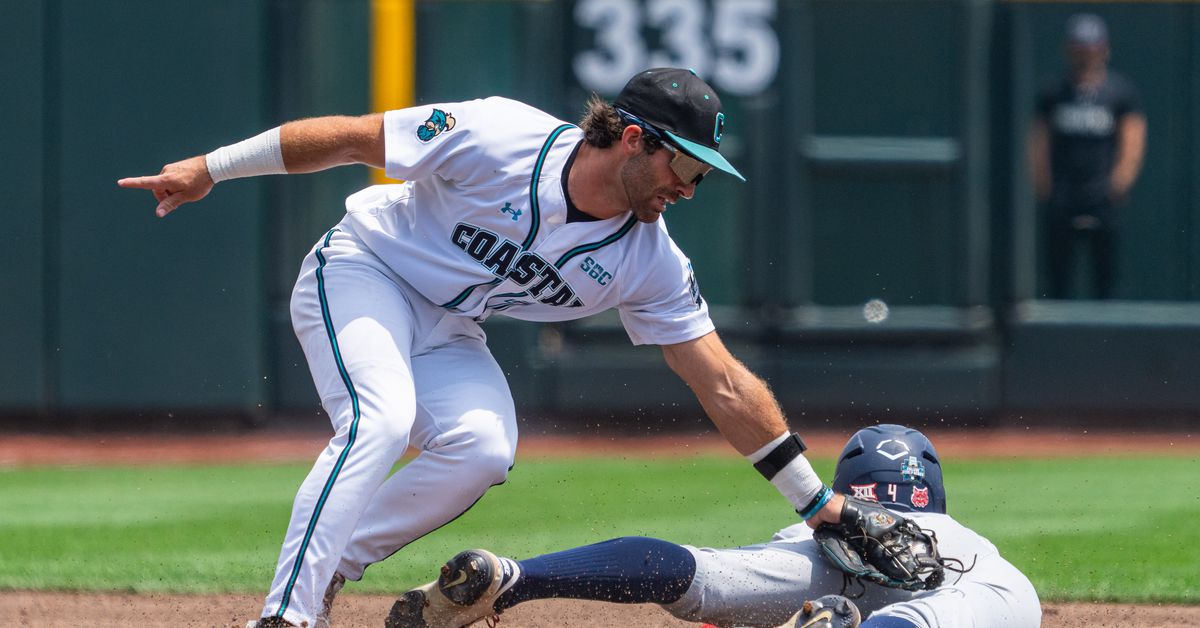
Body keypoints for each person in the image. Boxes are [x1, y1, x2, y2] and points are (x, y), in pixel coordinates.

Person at [118, 68, 853, 628]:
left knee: (482, 448)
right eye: (685, 167)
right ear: (634, 139)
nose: (690, 188)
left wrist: (817, 505)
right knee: (381, 419)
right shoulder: (500, 134)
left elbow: (721, 382)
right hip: (364, 270)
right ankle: (287, 615)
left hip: (449, 326)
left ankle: (335, 559)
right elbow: (348, 135)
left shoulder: (648, 260)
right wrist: (210, 168)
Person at [390, 425, 1042, 628]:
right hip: (961, 588)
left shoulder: (825, 530)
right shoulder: (980, 556)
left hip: (820, 559)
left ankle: (512, 578)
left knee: (704, 575)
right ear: (935, 495)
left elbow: (694, 580)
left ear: (850, 492)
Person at [1028, 13, 1146, 299]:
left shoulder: (1120, 92)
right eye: (1080, 49)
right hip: (1063, 195)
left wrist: (1120, 182)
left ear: (1104, 49)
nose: (1086, 56)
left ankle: (1108, 342)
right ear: (1069, 50)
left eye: (1092, 48)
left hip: (1102, 195)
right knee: (1058, 282)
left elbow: (1133, 138)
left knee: (1106, 282)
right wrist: (1044, 184)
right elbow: (1038, 140)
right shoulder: (1053, 92)